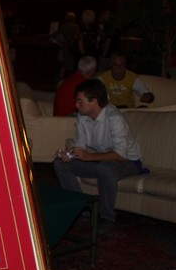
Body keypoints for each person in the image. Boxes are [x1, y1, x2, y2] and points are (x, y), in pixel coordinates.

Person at [53, 78, 143, 235]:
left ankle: (106, 217)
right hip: (100, 160)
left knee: (104, 169)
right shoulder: (82, 116)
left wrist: (88, 157)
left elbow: (120, 156)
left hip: (129, 162)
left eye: (80, 101)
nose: (76, 105)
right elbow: (81, 145)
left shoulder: (114, 119)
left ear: (94, 101)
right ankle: (80, 209)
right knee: (59, 164)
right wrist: (69, 155)